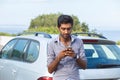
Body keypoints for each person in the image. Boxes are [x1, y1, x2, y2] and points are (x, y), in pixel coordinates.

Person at [47, 14, 87, 80]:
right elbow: (50, 70)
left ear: (72, 28)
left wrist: (75, 56)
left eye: (68, 29)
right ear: (58, 28)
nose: (66, 32)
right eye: (63, 29)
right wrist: (58, 58)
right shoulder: (52, 44)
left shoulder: (79, 42)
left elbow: (84, 66)